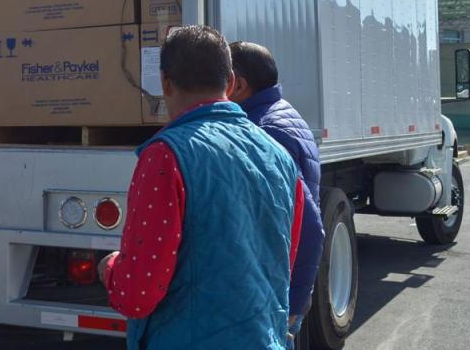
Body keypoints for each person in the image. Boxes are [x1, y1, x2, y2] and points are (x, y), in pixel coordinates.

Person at [98, 26, 304, 350]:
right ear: (231, 83)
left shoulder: (166, 157)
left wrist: (110, 268)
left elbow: (137, 294)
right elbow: (280, 265)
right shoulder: (280, 158)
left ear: (165, 83)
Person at [229, 41, 325, 349]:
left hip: (274, 295)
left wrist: (294, 303)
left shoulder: (264, 130)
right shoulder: (282, 114)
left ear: (238, 85)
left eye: (220, 80)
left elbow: (310, 227)